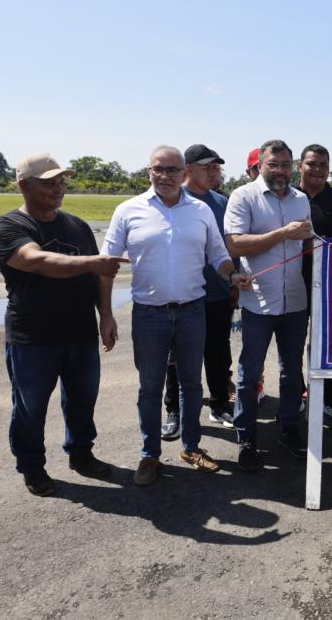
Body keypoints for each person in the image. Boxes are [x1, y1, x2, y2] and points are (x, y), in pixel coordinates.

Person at [100, 146, 250, 486]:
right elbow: (106, 265)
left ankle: (192, 447)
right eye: (158, 169)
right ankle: (149, 454)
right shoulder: (128, 210)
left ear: (184, 174)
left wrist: (231, 276)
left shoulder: (200, 210)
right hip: (149, 315)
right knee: (150, 387)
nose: (165, 176)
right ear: (149, 172)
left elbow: (218, 254)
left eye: (172, 170)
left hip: (192, 311)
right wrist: (106, 315)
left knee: (192, 385)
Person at [0, 153, 128, 496]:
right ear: (24, 185)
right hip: (33, 337)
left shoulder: (77, 226)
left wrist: (106, 315)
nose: (58, 188)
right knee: (31, 407)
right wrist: (92, 262)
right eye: (49, 183)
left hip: (79, 333)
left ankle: (81, 454)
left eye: (61, 181)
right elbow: (37, 261)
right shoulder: (8, 227)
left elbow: (100, 276)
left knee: (82, 400)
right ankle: (33, 468)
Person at [224, 139, 313, 471]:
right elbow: (234, 242)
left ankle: (288, 426)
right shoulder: (243, 196)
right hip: (258, 301)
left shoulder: (300, 199)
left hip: (295, 299)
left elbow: (307, 238)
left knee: (292, 372)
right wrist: (282, 233)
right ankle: (246, 435)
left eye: (286, 164)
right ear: (259, 165)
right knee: (250, 372)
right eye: (273, 164)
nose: (280, 171)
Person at [162, 145, 237, 442]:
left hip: (217, 294)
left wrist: (233, 285)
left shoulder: (222, 202)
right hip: (183, 296)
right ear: (188, 169)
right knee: (177, 358)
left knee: (219, 353)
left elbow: (230, 246)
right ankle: (174, 411)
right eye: (207, 166)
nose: (214, 171)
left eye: (215, 166)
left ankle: (219, 405)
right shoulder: (173, 201)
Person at [294, 143, 332, 425]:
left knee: (327, 345)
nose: (317, 170)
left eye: (323, 165)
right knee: (292, 346)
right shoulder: (288, 196)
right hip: (290, 284)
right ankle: (297, 397)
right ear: (300, 166)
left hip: (328, 286)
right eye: (311, 164)